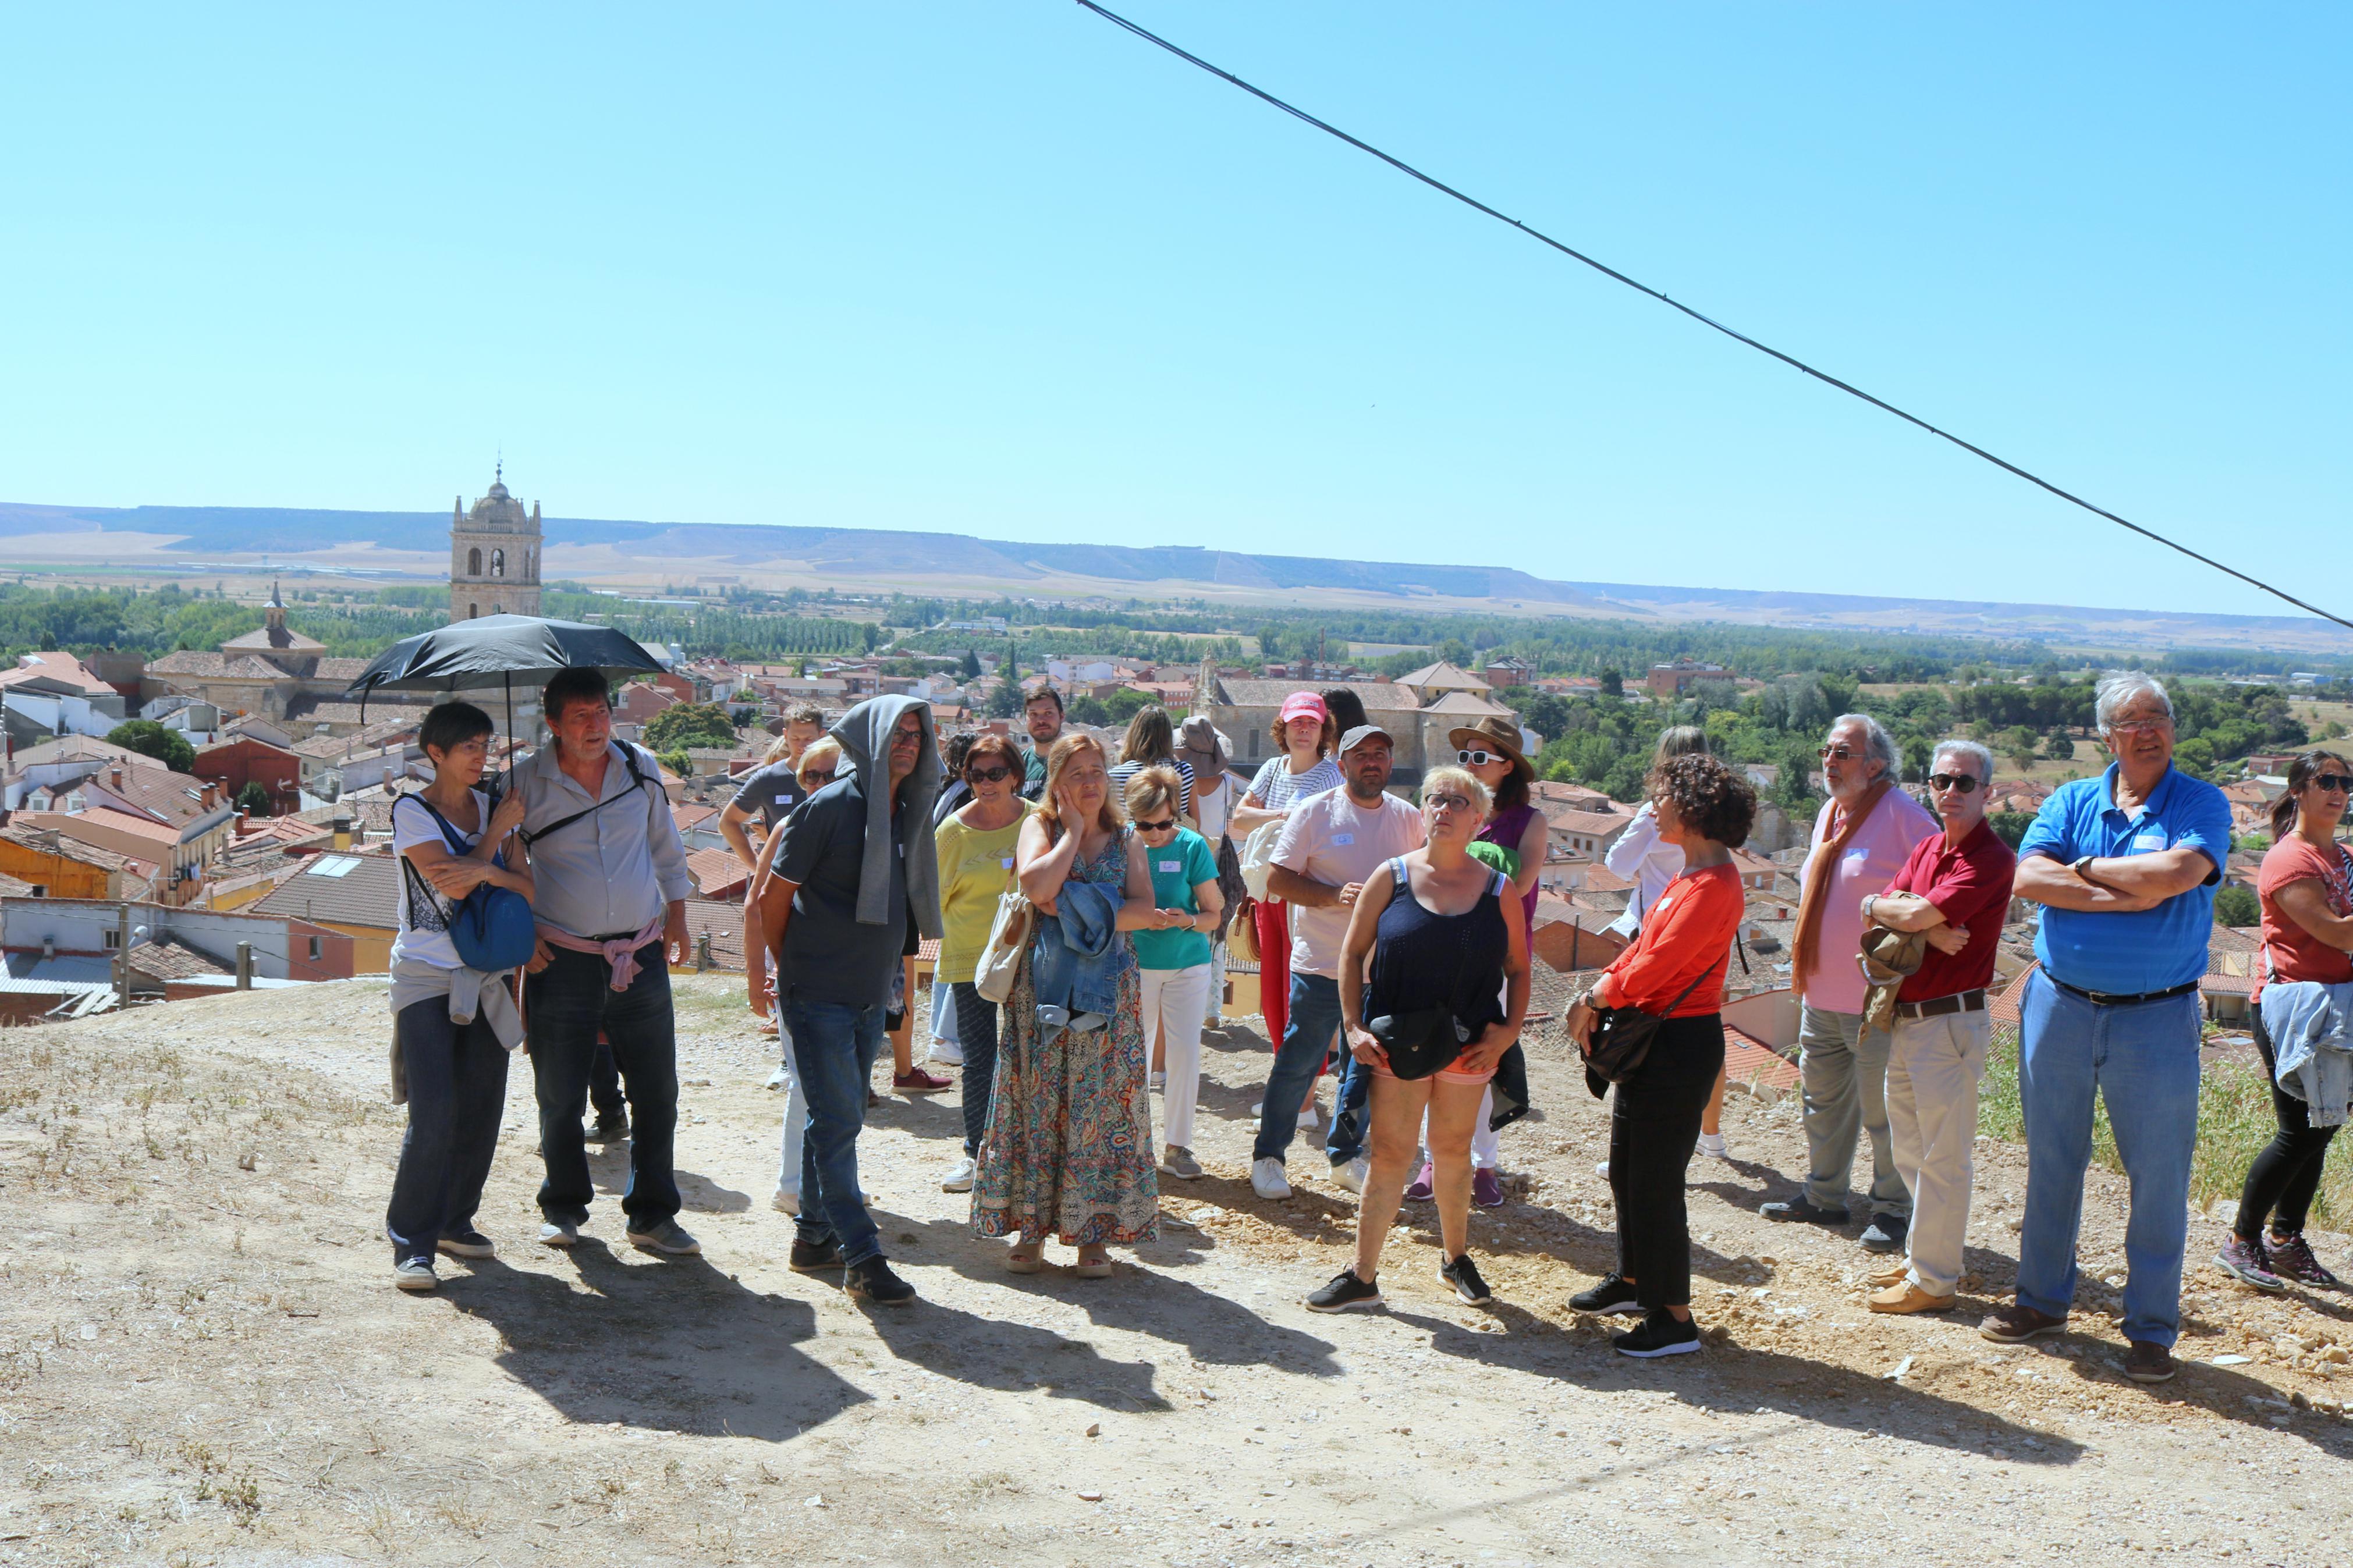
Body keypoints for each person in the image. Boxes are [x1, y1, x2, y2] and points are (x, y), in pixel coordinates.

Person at [1989, 671, 2233, 1384]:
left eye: (2159, 717)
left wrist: (2089, 867)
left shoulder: (2200, 801)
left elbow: (2177, 873)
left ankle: (2151, 1330)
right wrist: (2127, 888)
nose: (2150, 729)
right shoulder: (2069, 799)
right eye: (2132, 720)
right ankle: (2039, 1301)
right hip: (2058, 1005)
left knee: (2158, 1177)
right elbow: (2027, 878)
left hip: (2156, 1016)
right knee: (2051, 1160)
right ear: (2106, 736)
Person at [1308, 766, 1529, 1314]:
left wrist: (1507, 1032)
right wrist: (1353, 1026)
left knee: (1454, 1152)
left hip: (1471, 1042)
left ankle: (1456, 1259)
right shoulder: (1391, 877)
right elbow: (1352, 954)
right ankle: (1362, 1276)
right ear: (1423, 810)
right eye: (1436, 799)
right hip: (1397, 1041)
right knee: (1389, 1154)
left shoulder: (1498, 889)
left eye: (1459, 801)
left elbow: (1520, 969)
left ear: (1478, 819)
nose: (1444, 809)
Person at [1566, 752, 1756, 1358]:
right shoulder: (1691, 874)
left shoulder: (1714, 884)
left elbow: (1658, 965)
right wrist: (1594, 989)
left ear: (1694, 809)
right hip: (1663, 1038)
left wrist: (1596, 996)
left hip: (1679, 1044)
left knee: (1655, 1182)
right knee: (1629, 1172)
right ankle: (1633, 1282)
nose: (1654, 807)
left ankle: (1673, 1318)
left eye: (1664, 796)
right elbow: (1643, 944)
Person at [761, 696, 942, 1306]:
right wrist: (797, 972)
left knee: (840, 1119)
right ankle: (862, 1255)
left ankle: (813, 1237)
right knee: (837, 1121)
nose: (908, 745)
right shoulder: (830, 807)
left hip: (868, 993)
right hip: (818, 995)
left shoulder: (906, 812)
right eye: (897, 734)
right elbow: (770, 899)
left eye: (917, 735)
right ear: (868, 741)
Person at [516, 667, 699, 1256]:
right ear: (553, 726)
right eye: (580, 718)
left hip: (640, 952)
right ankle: (563, 1206)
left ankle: (652, 1214)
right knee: (560, 1092)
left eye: (601, 713)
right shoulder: (522, 785)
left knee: (656, 1091)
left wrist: (678, 917)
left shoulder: (639, 768)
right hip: (560, 959)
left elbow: (666, 850)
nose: (596, 727)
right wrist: (521, 933)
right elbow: (496, 866)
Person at [973, 733, 1170, 1274]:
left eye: (1097, 770)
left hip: (1109, 999)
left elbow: (1144, 911)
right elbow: (1037, 888)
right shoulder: (1039, 827)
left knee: (1102, 1110)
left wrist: (1074, 903)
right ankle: (1031, 1233)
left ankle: (1092, 1238)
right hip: (1041, 993)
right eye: (1076, 771)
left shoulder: (1128, 836)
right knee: (1037, 1105)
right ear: (1055, 780)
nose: (1089, 781)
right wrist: (1074, 835)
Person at [1761, 713, 1936, 1253]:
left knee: (1884, 1111)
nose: (1829, 761)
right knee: (1823, 1102)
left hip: (1876, 998)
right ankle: (1824, 1195)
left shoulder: (1906, 817)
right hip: (1820, 990)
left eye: (1843, 752)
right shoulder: (1828, 814)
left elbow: (1940, 885)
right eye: (1827, 751)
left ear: (1876, 764)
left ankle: (1893, 1209)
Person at [1858, 738, 2015, 1313]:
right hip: (1907, 1018)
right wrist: (1912, 922)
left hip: (1948, 1021)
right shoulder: (1927, 848)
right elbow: (1884, 912)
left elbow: (1907, 911)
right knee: (1910, 1151)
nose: (1950, 791)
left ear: (1986, 792)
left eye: (1963, 783)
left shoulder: (1990, 858)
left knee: (1942, 1156)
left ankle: (1934, 1281)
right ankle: (1922, 1260)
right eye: (1940, 780)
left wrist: (1902, 913)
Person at [384, 701, 533, 1290]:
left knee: (481, 1107)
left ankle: (455, 1222)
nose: (482, 757)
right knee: (435, 1111)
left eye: (487, 745)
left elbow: (526, 885)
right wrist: (494, 840)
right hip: (424, 975)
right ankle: (411, 1243)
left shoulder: (500, 806)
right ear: (436, 754)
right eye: (470, 747)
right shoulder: (411, 812)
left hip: (488, 975)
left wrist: (492, 869)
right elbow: (445, 883)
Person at [1251, 723, 1425, 1201]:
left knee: (1363, 1067)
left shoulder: (1409, 818)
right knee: (1299, 1063)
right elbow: (1280, 880)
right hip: (1322, 965)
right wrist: (1331, 895)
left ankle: (1345, 1155)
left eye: (1381, 753)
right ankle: (1268, 1155)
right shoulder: (1314, 812)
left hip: (1383, 972)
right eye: (1361, 753)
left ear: (1390, 763)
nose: (1372, 761)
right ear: (1342, 762)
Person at [2216, 750, 2353, 1292]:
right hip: (2294, 1008)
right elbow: (2337, 934)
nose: (2339, 790)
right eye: (2326, 781)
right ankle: (2242, 1240)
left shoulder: (2341, 856)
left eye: (2346, 782)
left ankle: (2285, 1239)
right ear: (2299, 789)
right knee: (2298, 1130)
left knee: (2323, 1126)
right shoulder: (2287, 860)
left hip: (2336, 1007)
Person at [1403, 714, 1544, 1210]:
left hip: (1494, 952)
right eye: (1464, 756)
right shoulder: (1444, 809)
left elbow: (1521, 883)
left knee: (1480, 1058)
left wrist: (1475, 850)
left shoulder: (1529, 822)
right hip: (1440, 947)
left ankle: (1484, 1163)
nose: (1469, 764)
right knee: (1431, 1049)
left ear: (1508, 767)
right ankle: (1433, 1160)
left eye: (1480, 757)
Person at [1601, 726, 1731, 1167]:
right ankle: (1709, 1137)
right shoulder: (1717, 814)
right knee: (1706, 1026)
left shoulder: (1654, 814)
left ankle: (1646, 1148)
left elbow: (1616, 865)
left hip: (1657, 929)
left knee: (1643, 1035)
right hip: (1710, 932)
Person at [1229, 692, 1343, 1109]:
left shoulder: (1331, 776)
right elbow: (1238, 818)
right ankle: (1291, 1095)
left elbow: (1321, 833)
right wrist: (1284, 816)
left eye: (1311, 723)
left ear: (1323, 730)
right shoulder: (1272, 768)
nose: (1303, 730)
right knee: (1273, 995)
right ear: (1283, 727)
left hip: (1301, 898)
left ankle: (1304, 1101)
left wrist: (1270, 815)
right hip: (1266, 895)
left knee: (1300, 997)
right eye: (1296, 722)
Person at [932, 732, 1032, 1194]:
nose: (986, 783)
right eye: (976, 775)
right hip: (970, 958)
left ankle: (1026, 1153)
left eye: (996, 773)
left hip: (1028, 956)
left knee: (1030, 1056)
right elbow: (934, 901)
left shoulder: (1037, 822)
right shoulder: (952, 832)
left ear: (1015, 775)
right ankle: (977, 1153)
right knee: (979, 1059)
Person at [751, 735, 843, 1215]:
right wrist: (758, 977)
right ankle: (793, 1185)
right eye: (813, 775)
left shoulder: (853, 828)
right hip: (797, 973)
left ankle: (827, 1182)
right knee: (807, 1084)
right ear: (800, 780)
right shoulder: (789, 827)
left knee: (838, 1087)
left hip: (843, 973)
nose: (823, 783)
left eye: (833, 774)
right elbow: (756, 904)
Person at [1124, 766, 1223, 1181]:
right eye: (1145, 824)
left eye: (1164, 823)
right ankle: (1130, 1145)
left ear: (1175, 814)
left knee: (1184, 1055)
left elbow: (1214, 915)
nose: (1155, 833)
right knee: (1134, 1056)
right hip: (1136, 964)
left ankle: (1177, 1146)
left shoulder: (1192, 845)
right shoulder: (1122, 843)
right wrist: (1140, 918)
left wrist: (1185, 920)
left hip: (1187, 963)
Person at [721, 702, 829, 1040]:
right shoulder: (769, 778)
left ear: (822, 736)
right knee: (777, 950)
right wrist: (756, 865)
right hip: (781, 881)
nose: (802, 745)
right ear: (785, 735)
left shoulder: (837, 774)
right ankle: (782, 1017)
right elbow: (728, 823)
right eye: (795, 738)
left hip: (824, 883)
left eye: (808, 738)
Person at [1177, 715, 1242, 1030]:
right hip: (1217, 863)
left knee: (1186, 928)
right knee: (1216, 935)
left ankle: (1186, 1005)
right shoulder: (1228, 783)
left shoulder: (1179, 781)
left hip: (1186, 859)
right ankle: (1212, 1009)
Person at [1107, 705, 1197, 822]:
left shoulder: (1114, 776)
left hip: (1129, 839)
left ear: (1134, 735)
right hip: (1174, 839)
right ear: (1168, 738)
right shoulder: (1185, 772)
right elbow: (1195, 823)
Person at [1019, 687, 1067, 801]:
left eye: (1048, 713)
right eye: (1033, 714)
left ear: (1062, 716)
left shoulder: (1078, 759)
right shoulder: (1017, 765)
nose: (1041, 720)